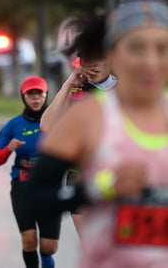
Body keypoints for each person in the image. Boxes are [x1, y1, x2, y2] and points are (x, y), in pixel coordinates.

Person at [21, 0, 168, 267]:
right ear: (115, 52)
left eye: (162, 49)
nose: (151, 61)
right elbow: (34, 198)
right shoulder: (90, 115)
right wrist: (98, 188)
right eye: (137, 48)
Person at [40, 14, 117, 236]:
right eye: (86, 59)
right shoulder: (74, 91)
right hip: (81, 179)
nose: (92, 65)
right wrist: (68, 84)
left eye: (98, 58)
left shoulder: (125, 90)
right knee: (94, 248)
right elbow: (47, 126)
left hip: (120, 177)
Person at [0, 76, 60, 268]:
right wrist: (9, 148)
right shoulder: (13, 125)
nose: (36, 99)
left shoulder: (57, 121)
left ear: (46, 95)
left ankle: (47, 259)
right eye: (30, 95)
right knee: (29, 239)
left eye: (39, 94)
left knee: (49, 246)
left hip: (50, 187)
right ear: (24, 97)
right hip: (22, 186)